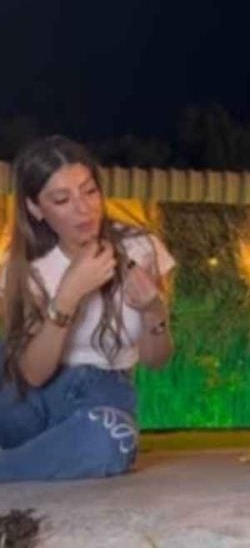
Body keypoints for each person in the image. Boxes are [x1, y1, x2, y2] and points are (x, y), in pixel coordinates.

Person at [0, 136, 176, 480]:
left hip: (102, 394)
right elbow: (32, 375)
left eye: (89, 191)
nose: (84, 209)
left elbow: (157, 360)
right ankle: (40, 459)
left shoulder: (140, 248)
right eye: (62, 199)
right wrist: (68, 295)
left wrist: (153, 310)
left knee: (112, 441)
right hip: (30, 401)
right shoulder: (23, 267)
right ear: (36, 209)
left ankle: (13, 467)